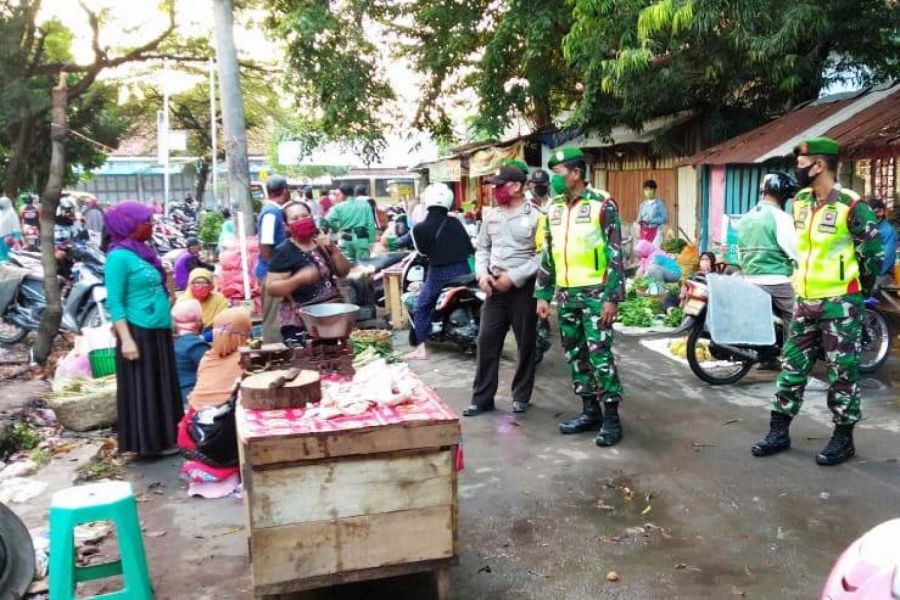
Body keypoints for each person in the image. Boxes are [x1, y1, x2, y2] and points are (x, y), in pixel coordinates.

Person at [751, 137, 883, 467]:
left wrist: (853, 291)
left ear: (818, 165)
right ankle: (778, 431)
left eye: (800, 164)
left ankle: (843, 438)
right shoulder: (801, 203)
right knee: (792, 367)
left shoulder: (851, 206)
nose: (797, 171)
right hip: (805, 300)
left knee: (841, 372)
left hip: (840, 303)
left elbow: (873, 257)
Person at [535, 147, 626, 447]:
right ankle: (590, 412)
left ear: (575, 173)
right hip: (565, 294)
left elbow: (615, 254)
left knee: (600, 355)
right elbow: (549, 253)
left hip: (596, 295)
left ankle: (611, 418)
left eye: (558, 174)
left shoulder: (603, 204)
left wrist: (612, 297)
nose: (554, 180)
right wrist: (543, 293)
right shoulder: (553, 209)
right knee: (575, 354)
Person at [104, 201, 183, 457]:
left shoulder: (143, 252)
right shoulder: (118, 257)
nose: (151, 226)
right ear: (129, 224)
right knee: (145, 387)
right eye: (146, 221)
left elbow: (158, 290)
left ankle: (168, 438)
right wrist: (126, 340)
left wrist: (169, 318)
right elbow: (115, 301)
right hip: (137, 331)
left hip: (157, 329)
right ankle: (147, 445)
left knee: (163, 384)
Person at [463, 166, 541, 417]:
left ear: (517, 186)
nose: (496, 191)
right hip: (494, 288)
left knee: (526, 343)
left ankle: (521, 396)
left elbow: (543, 256)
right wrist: (482, 274)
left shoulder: (538, 216)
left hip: (523, 289)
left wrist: (514, 277)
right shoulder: (491, 215)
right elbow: (482, 248)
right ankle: (482, 398)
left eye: (500, 186)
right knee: (486, 341)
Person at [406, 183, 473, 361]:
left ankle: (420, 349)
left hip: (439, 273)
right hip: (464, 270)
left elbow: (422, 252)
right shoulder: (455, 223)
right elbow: (469, 247)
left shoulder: (419, 228)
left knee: (422, 305)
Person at [267, 202, 352, 339]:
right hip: (302, 323)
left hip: (332, 315)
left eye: (305, 216)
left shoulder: (321, 242)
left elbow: (343, 272)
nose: (301, 221)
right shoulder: (283, 251)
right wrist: (298, 279)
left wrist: (334, 251)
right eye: (295, 219)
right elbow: (272, 288)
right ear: (286, 225)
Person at [736, 172, 800, 323]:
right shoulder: (780, 217)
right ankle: (790, 346)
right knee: (799, 320)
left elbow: (739, 254)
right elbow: (795, 250)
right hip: (776, 282)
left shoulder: (745, 218)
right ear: (783, 195)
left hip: (749, 280)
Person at [256, 174, 291, 343]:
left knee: (279, 313)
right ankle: (273, 350)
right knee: (273, 317)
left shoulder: (274, 211)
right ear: (285, 190)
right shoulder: (271, 213)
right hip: (271, 273)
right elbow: (265, 245)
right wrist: (275, 270)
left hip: (274, 271)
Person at [322, 184, 378, 261]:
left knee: (349, 267)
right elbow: (371, 224)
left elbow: (330, 221)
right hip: (361, 239)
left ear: (343, 194)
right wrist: (371, 241)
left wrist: (338, 228)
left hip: (346, 239)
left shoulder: (339, 206)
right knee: (364, 266)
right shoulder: (365, 204)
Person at [171, 299, 210, 405]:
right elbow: (211, 372)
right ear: (197, 320)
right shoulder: (195, 344)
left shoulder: (172, 339)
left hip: (175, 395)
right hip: (191, 398)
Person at [868, 197, 897, 289]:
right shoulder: (867, 228)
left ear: (882, 212)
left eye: (879, 211)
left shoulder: (888, 231)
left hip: (881, 275)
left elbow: (887, 257)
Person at [638, 179, 668, 247]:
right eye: (645, 190)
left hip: (656, 233)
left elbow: (665, 218)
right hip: (644, 233)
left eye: (649, 189)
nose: (647, 192)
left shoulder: (659, 204)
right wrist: (641, 223)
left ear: (654, 190)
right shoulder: (642, 204)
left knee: (654, 253)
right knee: (645, 254)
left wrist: (651, 221)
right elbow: (639, 219)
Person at [0, 196, 22, 262]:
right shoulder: (2, 212)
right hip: (1, 237)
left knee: (6, 254)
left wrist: (16, 238)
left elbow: (16, 226)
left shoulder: (12, 213)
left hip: (7, 238)